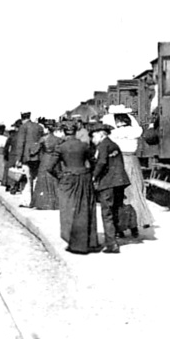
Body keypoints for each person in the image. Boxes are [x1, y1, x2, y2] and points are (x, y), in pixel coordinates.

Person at [104, 106, 155, 234]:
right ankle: (136, 225)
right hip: (133, 161)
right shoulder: (134, 131)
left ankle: (120, 227)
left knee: (119, 195)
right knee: (136, 192)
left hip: (119, 163)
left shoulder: (114, 134)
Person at [50, 123, 99, 254]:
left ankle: (72, 241)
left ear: (64, 132)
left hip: (68, 179)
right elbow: (93, 161)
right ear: (76, 132)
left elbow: (49, 167)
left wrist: (60, 176)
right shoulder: (84, 146)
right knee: (85, 208)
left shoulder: (60, 147)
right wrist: (90, 173)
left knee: (68, 209)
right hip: (84, 178)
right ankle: (90, 242)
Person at [90, 123, 129, 254]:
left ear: (101, 134)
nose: (92, 139)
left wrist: (94, 176)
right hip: (119, 182)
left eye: (94, 136)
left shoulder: (103, 145)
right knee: (115, 210)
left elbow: (101, 162)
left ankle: (111, 244)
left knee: (107, 213)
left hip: (108, 183)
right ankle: (116, 236)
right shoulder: (113, 144)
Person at [15, 112, 44, 205]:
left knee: (27, 178)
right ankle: (37, 200)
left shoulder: (23, 127)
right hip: (38, 155)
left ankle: (27, 201)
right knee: (35, 178)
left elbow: (20, 143)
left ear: (22, 117)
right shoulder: (39, 127)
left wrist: (18, 159)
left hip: (26, 156)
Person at [32, 123, 63, 210]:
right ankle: (56, 203)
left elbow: (34, 150)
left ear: (47, 129)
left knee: (43, 180)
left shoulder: (43, 139)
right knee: (54, 180)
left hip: (46, 159)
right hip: (55, 160)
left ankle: (43, 203)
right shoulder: (59, 139)